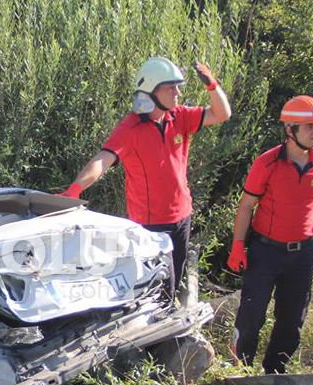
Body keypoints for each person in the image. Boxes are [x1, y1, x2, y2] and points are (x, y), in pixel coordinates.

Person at [60, 57, 231, 295]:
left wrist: (212, 85)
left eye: (178, 87)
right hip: (151, 225)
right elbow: (103, 160)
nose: (178, 93)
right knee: (155, 288)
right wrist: (75, 189)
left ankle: (170, 323)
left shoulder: (180, 117)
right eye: (171, 87)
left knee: (174, 279)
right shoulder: (130, 129)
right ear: (151, 90)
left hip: (182, 217)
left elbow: (222, 114)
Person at [226, 95, 313, 374]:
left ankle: (274, 373)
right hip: (265, 251)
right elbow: (246, 206)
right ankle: (239, 372)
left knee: (291, 320)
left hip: (302, 253)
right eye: (310, 127)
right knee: (251, 316)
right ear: (290, 130)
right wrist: (238, 246)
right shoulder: (267, 163)